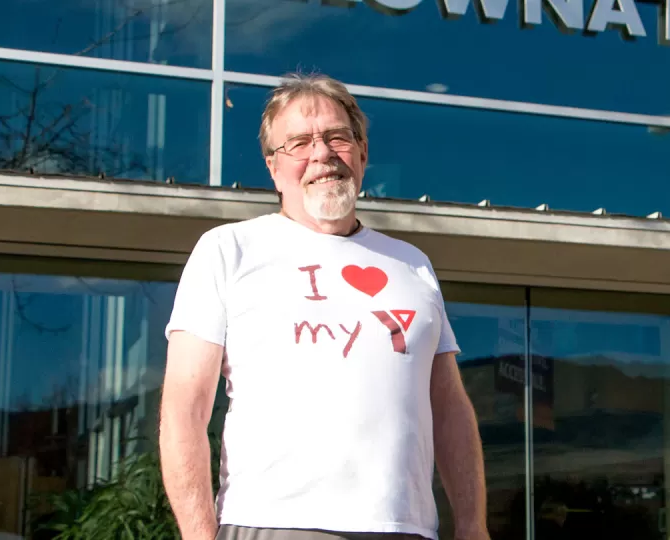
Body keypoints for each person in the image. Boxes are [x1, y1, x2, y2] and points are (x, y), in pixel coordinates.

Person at [159, 73, 489, 540]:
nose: (322, 154)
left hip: (406, 528)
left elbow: (450, 407)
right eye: (299, 143)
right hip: (272, 522)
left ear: (362, 152)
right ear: (273, 167)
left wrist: (474, 527)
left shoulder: (412, 265)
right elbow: (184, 410)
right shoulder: (228, 250)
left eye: (338, 137)